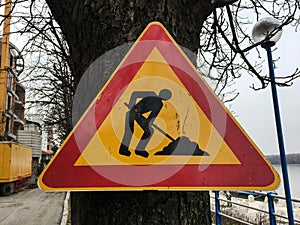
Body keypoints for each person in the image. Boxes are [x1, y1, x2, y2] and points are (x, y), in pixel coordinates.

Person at [119, 89, 172, 158]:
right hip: (132, 113)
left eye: (166, 96)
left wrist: (147, 124)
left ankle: (139, 149)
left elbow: (152, 116)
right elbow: (135, 94)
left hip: (139, 116)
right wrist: (132, 105)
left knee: (149, 131)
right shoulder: (151, 93)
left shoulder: (159, 104)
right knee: (129, 131)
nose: (164, 97)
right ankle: (123, 150)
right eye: (164, 95)